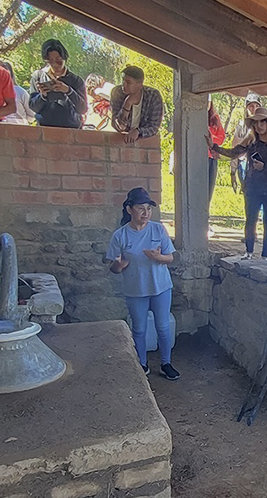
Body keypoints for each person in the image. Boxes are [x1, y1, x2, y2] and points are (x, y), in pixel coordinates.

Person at [104, 187, 180, 381]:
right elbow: (113, 268)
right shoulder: (120, 236)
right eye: (141, 208)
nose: (146, 213)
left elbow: (170, 258)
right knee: (139, 328)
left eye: (149, 208)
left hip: (161, 287)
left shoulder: (158, 229)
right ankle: (142, 364)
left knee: (163, 327)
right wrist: (118, 266)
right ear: (129, 209)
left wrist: (158, 257)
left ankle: (166, 363)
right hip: (135, 289)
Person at [212, 107, 267, 260]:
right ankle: (249, 251)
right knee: (250, 219)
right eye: (255, 123)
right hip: (252, 186)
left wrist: (265, 167)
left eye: (262, 122)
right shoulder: (250, 140)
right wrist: (214, 147)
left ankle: (265, 255)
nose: (259, 126)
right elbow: (234, 153)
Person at [28, 39, 86, 128]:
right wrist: (42, 96)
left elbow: (83, 109)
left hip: (71, 130)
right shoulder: (38, 77)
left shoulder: (76, 80)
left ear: (64, 58)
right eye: (50, 60)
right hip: (44, 130)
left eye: (58, 60)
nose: (55, 64)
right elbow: (33, 107)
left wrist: (68, 91)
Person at [111, 65, 164, 144]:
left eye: (128, 83)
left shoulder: (153, 96)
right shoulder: (117, 93)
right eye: (123, 80)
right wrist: (127, 104)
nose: (123, 85)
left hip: (144, 144)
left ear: (140, 85)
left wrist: (138, 132)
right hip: (121, 143)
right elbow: (119, 126)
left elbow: (154, 127)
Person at [230, 93, 263, 194]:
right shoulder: (241, 126)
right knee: (249, 198)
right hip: (245, 163)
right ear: (246, 108)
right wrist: (232, 171)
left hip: (262, 165)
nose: (254, 109)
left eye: (257, 106)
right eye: (251, 106)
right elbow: (235, 149)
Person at [205, 98, 226, 213]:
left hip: (211, 158)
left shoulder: (214, 119)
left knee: (209, 189)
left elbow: (221, 137)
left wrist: (212, 140)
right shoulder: (194, 117)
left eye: (207, 102)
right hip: (198, 158)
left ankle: (205, 215)